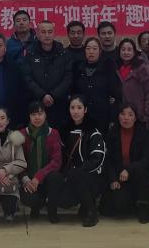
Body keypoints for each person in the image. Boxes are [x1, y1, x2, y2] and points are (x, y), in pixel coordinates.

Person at [51, 96, 106, 227]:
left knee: (76, 175)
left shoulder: (93, 132)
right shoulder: (65, 131)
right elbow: (62, 157)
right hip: (71, 176)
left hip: (93, 177)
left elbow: (98, 160)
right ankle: (85, 204)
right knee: (63, 201)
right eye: (72, 108)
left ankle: (92, 212)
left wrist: (78, 171)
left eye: (79, 108)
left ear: (85, 110)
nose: (75, 111)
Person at [102, 103, 149, 222]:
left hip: (138, 175)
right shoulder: (112, 133)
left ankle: (143, 206)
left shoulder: (143, 133)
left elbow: (147, 159)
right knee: (119, 205)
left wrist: (129, 169)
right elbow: (108, 160)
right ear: (118, 116)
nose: (126, 118)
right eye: (123, 114)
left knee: (143, 174)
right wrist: (113, 179)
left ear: (135, 118)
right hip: (120, 176)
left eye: (130, 115)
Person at [21, 20, 72, 128]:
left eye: (50, 31)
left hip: (58, 103)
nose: (47, 35)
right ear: (37, 34)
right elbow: (27, 77)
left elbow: (68, 77)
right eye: (43, 32)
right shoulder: (30, 53)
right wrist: (42, 95)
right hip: (36, 103)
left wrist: (53, 95)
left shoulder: (63, 53)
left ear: (54, 33)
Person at [20, 100, 63, 219]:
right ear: (29, 116)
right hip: (29, 179)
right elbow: (19, 162)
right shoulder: (22, 134)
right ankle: (36, 206)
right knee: (29, 199)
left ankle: (52, 208)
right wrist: (26, 180)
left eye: (40, 114)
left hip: (46, 177)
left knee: (55, 177)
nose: (37, 117)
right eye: (33, 114)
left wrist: (39, 176)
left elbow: (56, 161)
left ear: (45, 114)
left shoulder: (53, 133)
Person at [73, 36, 122, 132]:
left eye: (94, 49)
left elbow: (115, 93)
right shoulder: (78, 68)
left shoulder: (107, 67)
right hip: (83, 116)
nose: (91, 51)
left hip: (102, 116)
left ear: (100, 51)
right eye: (88, 48)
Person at [116, 38, 149, 127]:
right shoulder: (116, 68)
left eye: (129, 50)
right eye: (123, 49)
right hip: (122, 116)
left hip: (140, 117)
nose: (126, 52)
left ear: (134, 52)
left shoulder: (142, 69)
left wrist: (148, 117)